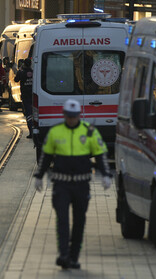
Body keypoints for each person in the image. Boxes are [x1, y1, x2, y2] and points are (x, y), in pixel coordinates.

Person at [33, 99, 112, 270]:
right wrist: (39, 175)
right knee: (62, 220)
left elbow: (100, 154)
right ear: (64, 115)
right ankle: (63, 255)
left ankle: (74, 257)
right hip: (61, 184)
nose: (71, 119)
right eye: (69, 116)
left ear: (79, 115)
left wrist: (106, 174)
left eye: (74, 116)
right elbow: (46, 156)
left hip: (81, 184)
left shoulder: (89, 131)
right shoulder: (55, 132)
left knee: (79, 221)